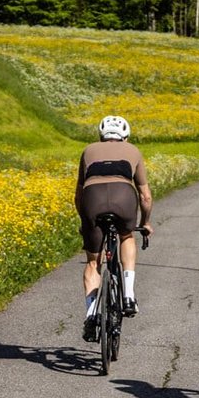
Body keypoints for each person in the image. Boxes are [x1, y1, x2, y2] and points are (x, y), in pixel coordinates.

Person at [76, 115, 154, 343]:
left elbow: (79, 194)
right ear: (125, 136)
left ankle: (91, 315)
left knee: (93, 262)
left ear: (101, 136)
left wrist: (85, 221)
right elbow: (145, 196)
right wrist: (146, 222)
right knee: (126, 235)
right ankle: (128, 294)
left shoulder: (88, 150)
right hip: (123, 198)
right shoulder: (133, 150)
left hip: (92, 200)